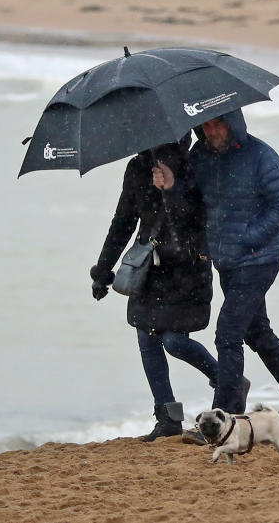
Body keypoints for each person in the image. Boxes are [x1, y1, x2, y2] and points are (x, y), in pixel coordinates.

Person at [154, 110, 279, 435]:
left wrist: (248, 239)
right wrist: (171, 186)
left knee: (228, 335)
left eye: (219, 123)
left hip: (260, 259)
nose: (213, 130)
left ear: (233, 123)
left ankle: (224, 424)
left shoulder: (261, 156)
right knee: (257, 333)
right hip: (227, 261)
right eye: (206, 124)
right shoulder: (201, 156)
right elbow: (190, 207)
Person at [89, 137, 218, 442]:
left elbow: (201, 217)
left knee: (174, 341)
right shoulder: (137, 168)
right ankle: (167, 417)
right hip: (148, 265)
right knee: (146, 335)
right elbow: (123, 222)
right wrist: (103, 269)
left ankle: (227, 381)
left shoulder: (197, 165)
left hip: (187, 268)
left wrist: (172, 189)